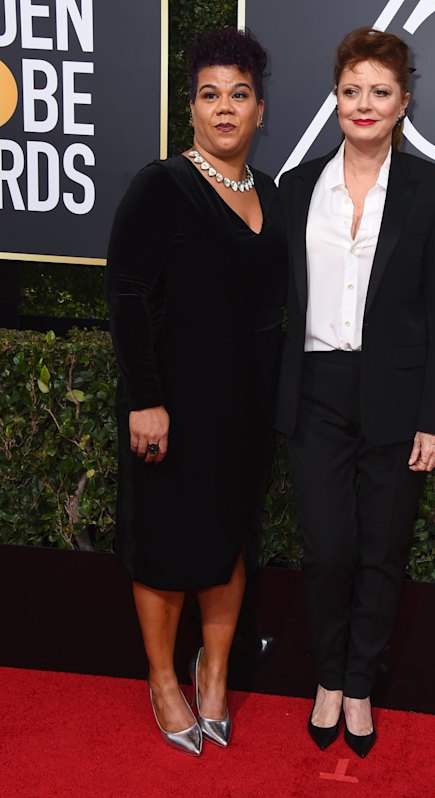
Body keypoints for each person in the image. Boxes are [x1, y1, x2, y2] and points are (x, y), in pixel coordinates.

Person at [275, 27, 435, 758]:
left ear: (403, 103)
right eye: (352, 90)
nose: (364, 104)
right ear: (336, 97)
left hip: (394, 396)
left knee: (382, 551)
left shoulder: (428, 190)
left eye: (380, 92)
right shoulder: (297, 187)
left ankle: (357, 686)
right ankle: (325, 674)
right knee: (326, 551)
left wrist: (434, 417)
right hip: (315, 391)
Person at [105, 26, 286, 756]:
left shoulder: (269, 194)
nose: (224, 109)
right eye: (209, 95)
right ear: (191, 109)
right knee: (165, 550)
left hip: (243, 412)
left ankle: (213, 674)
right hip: (171, 411)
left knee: (227, 544)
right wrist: (145, 399)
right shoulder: (161, 184)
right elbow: (124, 294)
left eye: (238, 95)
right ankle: (161, 678)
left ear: (260, 111)